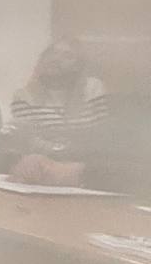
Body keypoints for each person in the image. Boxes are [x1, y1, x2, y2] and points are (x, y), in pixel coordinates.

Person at [6, 36, 111, 187]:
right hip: (43, 169)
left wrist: (72, 155)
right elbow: (28, 140)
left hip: (85, 168)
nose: (56, 59)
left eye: (67, 55)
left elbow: (102, 133)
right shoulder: (24, 96)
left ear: (78, 66)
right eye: (52, 53)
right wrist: (60, 151)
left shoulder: (92, 88)